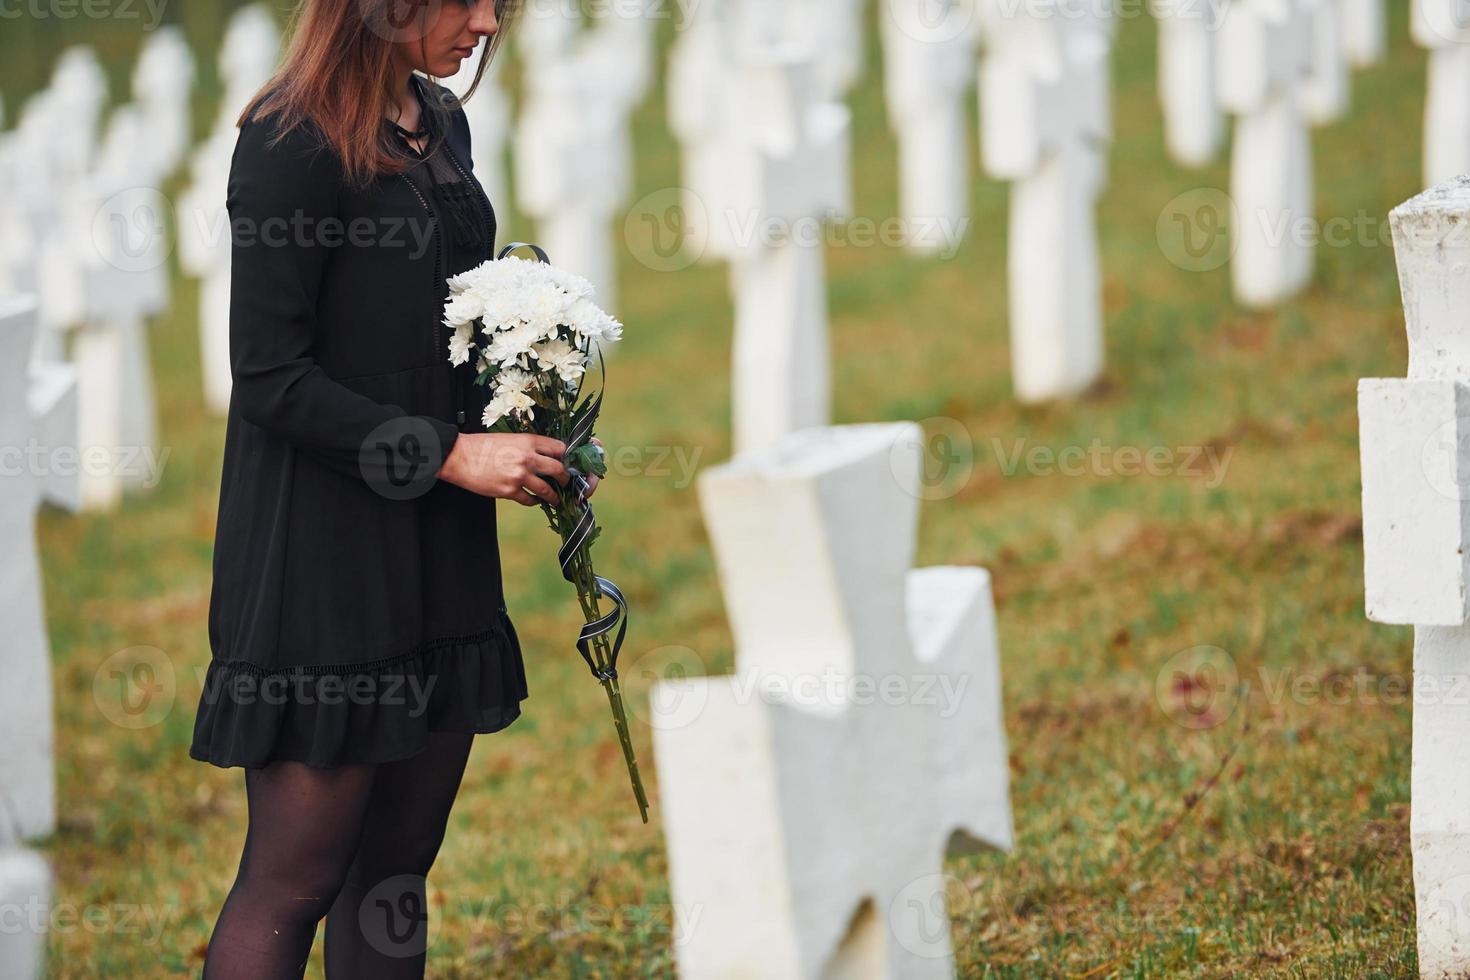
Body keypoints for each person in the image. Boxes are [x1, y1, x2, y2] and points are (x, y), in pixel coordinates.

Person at [188, 2, 586, 976]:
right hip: (320, 556)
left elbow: (427, 324)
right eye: (468, 0)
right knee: (295, 881)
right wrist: (448, 452)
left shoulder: (437, 121)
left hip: (436, 546)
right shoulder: (289, 141)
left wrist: (528, 402)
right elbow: (271, 375)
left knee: (397, 871)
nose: (489, 23)